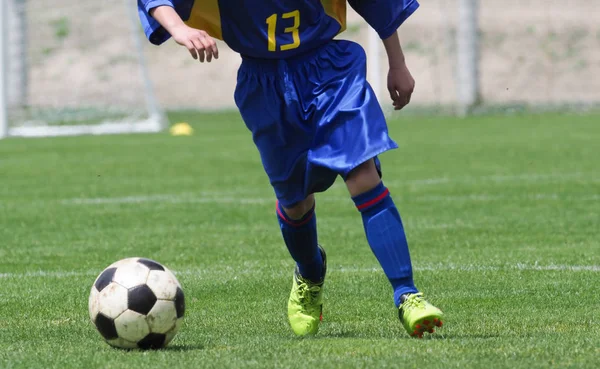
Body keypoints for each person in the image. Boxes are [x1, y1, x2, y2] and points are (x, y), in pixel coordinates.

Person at [138, 0, 443, 338]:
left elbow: (379, 5)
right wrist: (179, 28)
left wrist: (397, 63)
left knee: (362, 175)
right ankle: (310, 273)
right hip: (264, 84)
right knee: (295, 202)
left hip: (330, 70)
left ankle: (407, 294)